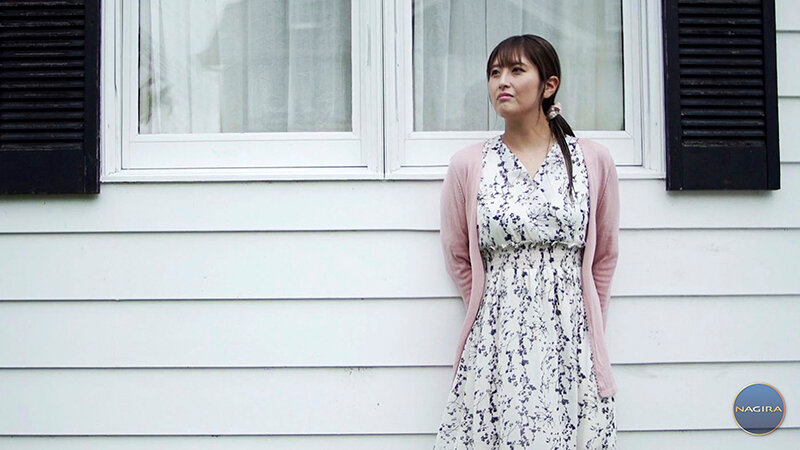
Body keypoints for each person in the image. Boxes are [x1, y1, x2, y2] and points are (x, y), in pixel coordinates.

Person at [434, 34, 620, 449]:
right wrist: (496, 307)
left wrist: (590, 328)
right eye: (494, 72)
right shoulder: (469, 165)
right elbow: (458, 254)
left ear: (549, 85)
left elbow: (604, 257)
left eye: (516, 70)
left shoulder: (592, 160)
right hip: (497, 337)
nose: (502, 81)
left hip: (572, 336)